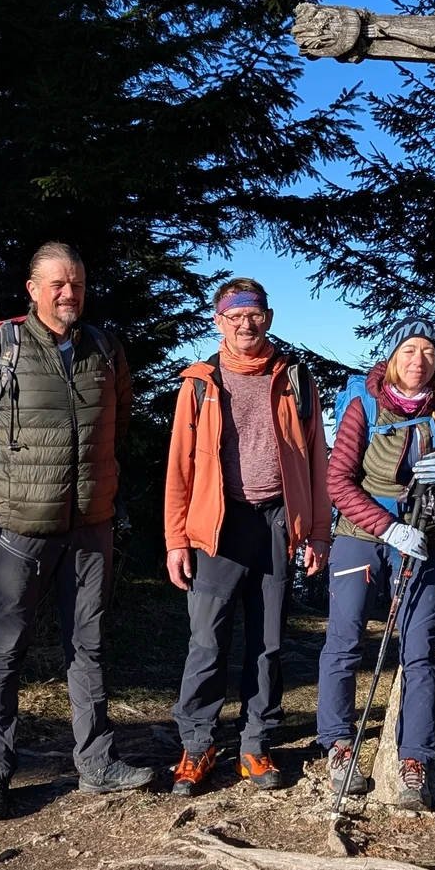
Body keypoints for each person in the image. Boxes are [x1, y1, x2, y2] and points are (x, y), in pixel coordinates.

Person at [0, 242, 153, 820]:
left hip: (92, 527)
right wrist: (0, 494)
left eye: (79, 284)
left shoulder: (105, 350)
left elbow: (120, 420)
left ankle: (97, 765)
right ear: (32, 289)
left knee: (88, 645)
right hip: (19, 532)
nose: (70, 294)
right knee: (5, 651)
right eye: (59, 284)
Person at [163, 278, 329, 795]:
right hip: (217, 527)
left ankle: (256, 744)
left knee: (269, 643)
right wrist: (175, 539)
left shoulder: (295, 380)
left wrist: (318, 534)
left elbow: (318, 463)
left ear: (269, 318)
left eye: (253, 314)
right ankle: (197, 745)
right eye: (234, 316)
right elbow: (180, 468)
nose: (245, 324)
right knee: (207, 641)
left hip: (277, 522)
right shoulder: (199, 383)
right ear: (219, 322)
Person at [319, 319, 435, 811]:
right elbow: (339, 481)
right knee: (345, 640)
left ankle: (414, 758)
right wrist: (387, 526)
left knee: (419, 648)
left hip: (422, 537)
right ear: (393, 356)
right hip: (361, 535)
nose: (419, 360)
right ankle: (337, 744)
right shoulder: (365, 403)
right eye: (409, 350)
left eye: (428, 352)